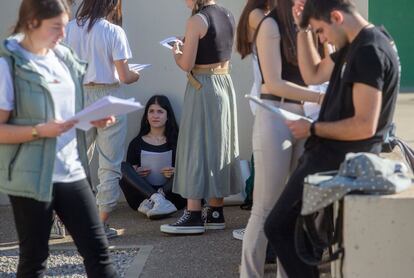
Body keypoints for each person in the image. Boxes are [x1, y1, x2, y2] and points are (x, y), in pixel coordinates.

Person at [264, 0, 401, 277]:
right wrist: (302, 28)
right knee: (290, 230)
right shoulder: (356, 45)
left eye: (320, 31)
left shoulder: (369, 50)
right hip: (329, 155)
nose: (322, 39)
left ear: (336, 17)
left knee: (278, 227)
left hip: (339, 157)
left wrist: (313, 129)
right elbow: (312, 73)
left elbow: (364, 126)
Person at [0, 0, 118, 276]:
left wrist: (91, 118)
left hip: (71, 171)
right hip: (31, 177)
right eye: (56, 28)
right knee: (34, 259)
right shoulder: (10, 65)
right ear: (32, 24)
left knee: (98, 252)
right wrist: (39, 130)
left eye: (64, 27)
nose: (63, 35)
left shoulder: (64, 57)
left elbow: (67, 114)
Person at [237, 0, 325, 277]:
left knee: (295, 206)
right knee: (266, 206)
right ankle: (249, 273)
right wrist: (321, 96)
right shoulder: (270, 23)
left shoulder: (310, 22)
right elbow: (273, 82)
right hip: (275, 112)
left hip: (306, 116)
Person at [160, 0, 240, 235]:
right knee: (219, 145)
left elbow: (187, 64)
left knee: (194, 145)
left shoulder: (196, 20)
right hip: (224, 83)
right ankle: (215, 212)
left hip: (202, 86)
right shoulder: (227, 14)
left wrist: (176, 52)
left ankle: (193, 214)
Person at [65, 0, 140, 239]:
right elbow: (126, 76)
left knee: (76, 161)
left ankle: (70, 220)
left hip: (77, 96)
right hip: (108, 96)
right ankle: (99, 225)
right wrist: (136, 74)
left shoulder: (68, 28)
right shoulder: (113, 31)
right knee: (109, 163)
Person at [120, 95, 186, 219]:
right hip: (144, 199)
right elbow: (129, 173)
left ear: (168, 116)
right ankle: (155, 199)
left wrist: (175, 172)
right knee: (121, 167)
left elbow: (188, 170)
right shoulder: (136, 143)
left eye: (160, 111)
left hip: (170, 195)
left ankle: (160, 199)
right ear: (146, 116)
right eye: (151, 111)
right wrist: (136, 173)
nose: (155, 115)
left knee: (187, 168)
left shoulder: (178, 141)